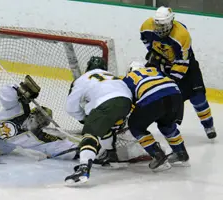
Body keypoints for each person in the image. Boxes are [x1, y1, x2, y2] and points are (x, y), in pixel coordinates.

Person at [140, 6, 216, 139]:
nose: (160, 29)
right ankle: (170, 127)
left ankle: (208, 125)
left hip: (187, 67)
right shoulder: (147, 26)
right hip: (165, 64)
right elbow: (145, 39)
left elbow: (182, 62)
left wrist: (172, 80)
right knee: (169, 98)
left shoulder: (181, 35)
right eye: (158, 25)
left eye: (163, 26)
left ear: (171, 22)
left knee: (198, 98)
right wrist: (154, 54)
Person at [64, 56, 133, 185]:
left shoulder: (82, 79)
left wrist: (85, 120)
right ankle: (111, 156)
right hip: (126, 104)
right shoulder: (114, 77)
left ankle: (84, 169)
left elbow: (71, 107)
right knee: (104, 127)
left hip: (106, 104)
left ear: (88, 68)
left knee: (90, 133)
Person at [123, 61, 189, 172]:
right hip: (176, 95)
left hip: (152, 97)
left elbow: (128, 101)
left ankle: (157, 154)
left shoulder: (128, 78)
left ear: (130, 70)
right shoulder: (155, 70)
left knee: (135, 126)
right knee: (166, 124)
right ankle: (181, 153)